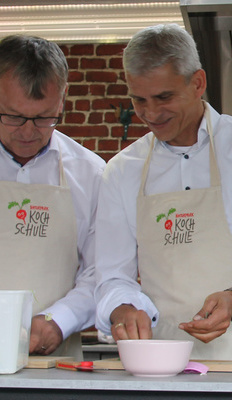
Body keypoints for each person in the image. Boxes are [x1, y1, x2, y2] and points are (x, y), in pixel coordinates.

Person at [94, 24, 232, 366]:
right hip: (161, 356)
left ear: (198, 82)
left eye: (164, 97)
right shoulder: (123, 169)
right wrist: (123, 307)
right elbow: (111, 276)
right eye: (140, 100)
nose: (151, 114)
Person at [0, 35, 105, 359]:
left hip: (56, 366)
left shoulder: (91, 174)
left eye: (44, 117)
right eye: (14, 116)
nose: (28, 132)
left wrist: (58, 320)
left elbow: (101, 272)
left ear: (62, 100)